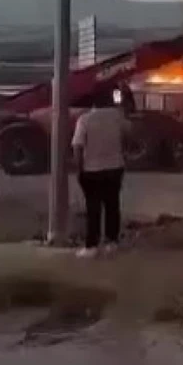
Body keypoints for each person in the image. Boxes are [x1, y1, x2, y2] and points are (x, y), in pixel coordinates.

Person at [71, 92, 131, 259]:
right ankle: (112, 243)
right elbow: (130, 133)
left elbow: (77, 147)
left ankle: (92, 246)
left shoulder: (85, 119)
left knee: (93, 209)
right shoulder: (117, 117)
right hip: (115, 168)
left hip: (92, 171)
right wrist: (123, 153)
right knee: (112, 206)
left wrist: (79, 169)